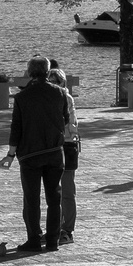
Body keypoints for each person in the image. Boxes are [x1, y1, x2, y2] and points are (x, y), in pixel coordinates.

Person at [1, 56, 70, 252]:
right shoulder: (60, 93)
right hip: (55, 152)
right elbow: (65, 119)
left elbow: (17, 128)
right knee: (54, 198)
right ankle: (52, 240)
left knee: (31, 199)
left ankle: (33, 239)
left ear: (29, 72)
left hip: (30, 155)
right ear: (48, 72)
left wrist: (11, 154)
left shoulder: (22, 97)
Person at [46, 68, 79, 243]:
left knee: (67, 191)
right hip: (49, 148)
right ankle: (53, 228)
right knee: (53, 192)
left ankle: (67, 230)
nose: (53, 85)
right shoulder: (44, 99)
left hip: (65, 147)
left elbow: (72, 125)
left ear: (63, 83)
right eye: (50, 82)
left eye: (56, 82)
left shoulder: (67, 99)